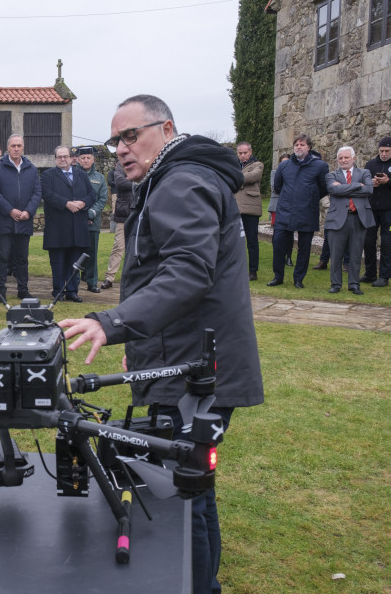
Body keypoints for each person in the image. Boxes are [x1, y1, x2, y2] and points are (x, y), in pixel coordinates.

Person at [59, 94, 263, 594]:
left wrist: (114, 322)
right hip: (186, 356)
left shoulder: (181, 180)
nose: (122, 150)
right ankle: (205, 584)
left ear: (166, 128)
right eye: (115, 141)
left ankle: (194, 586)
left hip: (190, 370)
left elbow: (188, 274)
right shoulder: (182, 174)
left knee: (179, 493)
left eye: (132, 136)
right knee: (196, 486)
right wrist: (143, 341)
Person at [270, 134, 329, 288]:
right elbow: (278, 187)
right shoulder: (284, 166)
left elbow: (323, 188)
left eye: (302, 144)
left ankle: (298, 279)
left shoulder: (320, 166)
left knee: (304, 247)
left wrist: (309, 197)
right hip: (285, 211)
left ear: (309, 147)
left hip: (307, 211)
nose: (298, 147)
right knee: (278, 243)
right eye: (296, 144)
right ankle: (278, 276)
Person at [0, 134, 42, 300]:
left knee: (22, 259)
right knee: (2, 257)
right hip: (5, 220)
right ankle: (0, 291)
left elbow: (37, 192)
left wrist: (28, 211)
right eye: (13, 146)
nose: (16, 148)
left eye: (19, 145)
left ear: (23, 147)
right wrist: (10, 210)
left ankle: (23, 290)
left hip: (24, 221)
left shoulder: (31, 169)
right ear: (8, 148)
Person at [40, 146, 93, 302]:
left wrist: (83, 203)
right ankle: (58, 291)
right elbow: (47, 194)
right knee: (58, 262)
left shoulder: (81, 175)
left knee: (74, 262)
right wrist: (66, 204)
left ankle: (72, 291)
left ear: (71, 158)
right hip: (57, 227)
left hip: (78, 226)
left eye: (65, 156)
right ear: (55, 159)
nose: (62, 159)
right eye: (59, 157)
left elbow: (92, 195)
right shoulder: (48, 175)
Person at [324, 146, 374, 295]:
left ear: (353, 158)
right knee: (336, 255)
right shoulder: (331, 175)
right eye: (340, 158)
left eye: (346, 157)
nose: (343, 160)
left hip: (358, 218)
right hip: (337, 219)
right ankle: (335, 284)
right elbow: (333, 190)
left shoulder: (364, 172)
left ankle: (354, 284)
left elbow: (369, 190)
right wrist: (358, 186)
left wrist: (344, 189)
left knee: (356, 254)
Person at [75, 146, 107, 293]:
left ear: (93, 159)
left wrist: (92, 213)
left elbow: (102, 199)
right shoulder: (73, 175)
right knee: (75, 253)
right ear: (78, 160)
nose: (86, 160)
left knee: (92, 254)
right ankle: (73, 283)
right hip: (75, 220)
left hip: (93, 222)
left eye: (89, 157)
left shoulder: (100, 178)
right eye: (83, 158)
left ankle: (91, 282)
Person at [362, 136, 391, 287]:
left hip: (389, 211)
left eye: (387, 151)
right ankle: (370, 273)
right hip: (372, 208)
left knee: (387, 242)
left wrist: (388, 181)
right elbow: (363, 184)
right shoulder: (371, 164)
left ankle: (384, 276)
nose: (384, 154)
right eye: (381, 151)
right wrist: (371, 184)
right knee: (368, 240)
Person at [233, 142, 264, 281]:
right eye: (240, 153)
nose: (243, 155)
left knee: (252, 242)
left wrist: (233, 177)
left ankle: (253, 271)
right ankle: (236, 269)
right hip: (235, 209)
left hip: (250, 209)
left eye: (245, 152)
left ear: (250, 152)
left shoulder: (258, 165)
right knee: (234, 241)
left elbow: (252, 177)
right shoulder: (234, 166)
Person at [100, 161, 132, 289]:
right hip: (124, 212)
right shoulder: (121, 164)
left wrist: (131, 180)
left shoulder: (144, 161)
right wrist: (138, 181)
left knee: (139, 248)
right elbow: (120, 182)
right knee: (118, 247)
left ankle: (134, 278)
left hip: (141, 211)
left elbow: (150, 181)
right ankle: (109, 277)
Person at [269, 154, 293, 267]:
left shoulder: (294, 173)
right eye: (282, 162)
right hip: (277, 205)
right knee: (277, 233)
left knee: (290, 232)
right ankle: (278, 256)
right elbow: (275, 188)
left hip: (291, 205)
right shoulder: (275, 173)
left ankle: (289, 257)